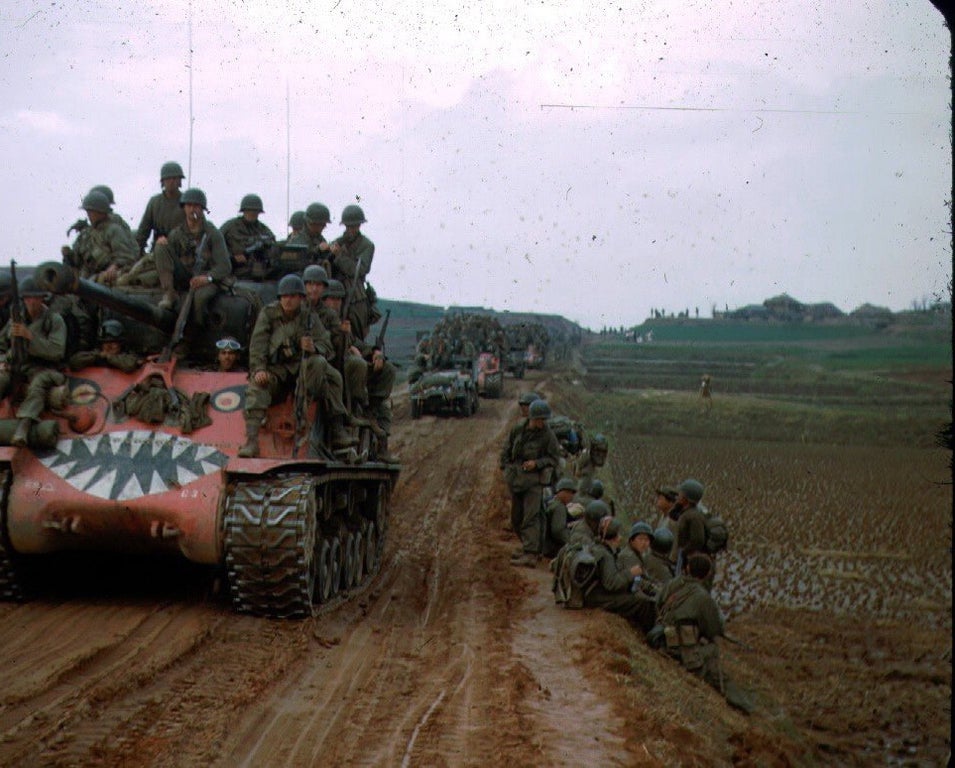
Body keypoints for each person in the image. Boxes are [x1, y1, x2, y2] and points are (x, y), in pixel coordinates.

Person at [238, 274, 355, 458]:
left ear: (301, 298)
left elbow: (327, 345)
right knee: (257, 386)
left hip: (303, 372)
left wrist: (313, 347)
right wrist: (259, 369)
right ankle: (251, 441)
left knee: (328, 372)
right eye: (284, 296)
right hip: (276, 371)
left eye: (292, 296)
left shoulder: (309, 317)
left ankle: (336, 428)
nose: (288, 300)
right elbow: (258, 346)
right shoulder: (269, 314)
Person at [654, 553, 754, 713]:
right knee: (712, 652)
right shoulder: (703, 597)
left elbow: (658, 603)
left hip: (660, 639)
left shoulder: (673, 584)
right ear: (707, 574)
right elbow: (713, 629)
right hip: (680, 652)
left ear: (687, 568)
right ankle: (744, 705)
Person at [317, 278, 397, 462]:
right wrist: (347, 344)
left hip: (347, 370)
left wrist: (375, 353)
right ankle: (354, 412)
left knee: (387, 370)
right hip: (332, 367)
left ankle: (370, 411)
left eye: (338, 299)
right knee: (357, 365)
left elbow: (356, 343)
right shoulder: (317, 318)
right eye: (331, 299)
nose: (335, 303)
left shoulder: (340, 320)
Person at [0, 278, 67, 446]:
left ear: (43, 298)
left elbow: (56, 352)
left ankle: (24, 424)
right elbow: (2, 344)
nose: (31, 302)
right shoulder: (17, 318)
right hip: (20, 365)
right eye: (27, 298)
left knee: (38, 384)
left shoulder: (54, 320)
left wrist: (30, 336)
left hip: (47, 368)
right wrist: (3, 361)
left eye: (35, 297)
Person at [153, 188, 232, 321]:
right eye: (188, 205)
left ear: (202, 209)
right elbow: (168, 259)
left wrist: (207, 278)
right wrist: (163, 245)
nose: (192, 209)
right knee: (161, 246)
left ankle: (199, 329)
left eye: (196, 206)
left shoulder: (213, 233)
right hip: (184, 275)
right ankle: (169, 294)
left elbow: (224, 266)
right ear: (184, 208)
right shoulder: (177, 233)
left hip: (206, 279)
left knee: (200, 299)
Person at [500, 398, 561, 566]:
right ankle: (529, 547)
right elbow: (507, 449)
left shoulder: (548, 435)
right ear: (532, 418)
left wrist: (537, 463)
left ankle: (531, 553)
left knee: (531, 517)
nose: (542, 423)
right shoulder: (518, 429)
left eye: (544, 419)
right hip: (517, 479)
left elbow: (554, 459)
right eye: (540, 419)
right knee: (516, 518)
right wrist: (505, 467)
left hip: (534, 481)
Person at [584, 518, 657, 632]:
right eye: (617, 535)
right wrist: (630, 573)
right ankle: (650, 636)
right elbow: (612, 584)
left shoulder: (601, 548)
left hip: (597, 594)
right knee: (643, 603)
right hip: (600, 598)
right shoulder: (606, 555)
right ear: (612, 536)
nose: (620, 538)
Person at [68, 190, 139, 284]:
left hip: (108, 277)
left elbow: (125, 256)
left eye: (91, 211)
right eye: (87, 211)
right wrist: (68, 254)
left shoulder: (113, 230)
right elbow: (76, 260)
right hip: (86, 278)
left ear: (100, 212)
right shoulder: (86, 233)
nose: (88, 214)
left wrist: (114, 266)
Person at [328, 204, 374, 341]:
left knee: (356, 335)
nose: (351, 229)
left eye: (355, 226)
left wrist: (339, 256)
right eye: (348, 226)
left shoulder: (367, 245)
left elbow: (358, 270)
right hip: (336, 293)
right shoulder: (337, 242)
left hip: (355, 295)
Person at [219, 194, 276, 280]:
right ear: (243, 211)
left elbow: (274, 250)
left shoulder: (265, 231)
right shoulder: (230, 227)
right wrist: (232, 259)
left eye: (255, 211)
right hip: (233, 275)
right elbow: (215, 246)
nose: (252, 213)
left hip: (260, 275)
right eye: (249, 210)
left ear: (259, 212)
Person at [136, 161, 187, 253]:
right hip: (158, 250)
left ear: (180, 181)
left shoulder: (187, 202)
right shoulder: (154, 203)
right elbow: (143, 231)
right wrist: (137, 252)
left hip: (182, 251)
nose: (171, 181)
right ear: (162, 181)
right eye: (168, 178)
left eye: (175, 178)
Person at [68, 319, 141, 373]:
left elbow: (129, 365)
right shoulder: (96, 355)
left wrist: (109, 357)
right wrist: (97, 356)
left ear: (120, 344)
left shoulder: (127, 357)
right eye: (105, 343)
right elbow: (74, 362)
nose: (109, 346)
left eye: (113, 343)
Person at [543, 477, 577, 557]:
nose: (571, 496)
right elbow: (558, 531)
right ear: (563, 492)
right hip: (552, 549)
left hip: (544, 545)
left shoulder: (551, 502)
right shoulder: (559, 507)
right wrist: (573, 543)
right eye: (570, 493)